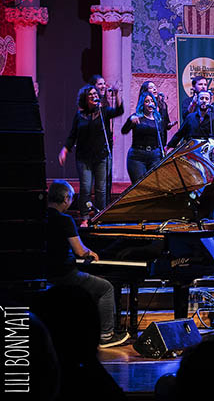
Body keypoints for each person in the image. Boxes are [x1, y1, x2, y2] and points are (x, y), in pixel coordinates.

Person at [45, 180, 129, 348]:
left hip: (45, 273)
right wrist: (90, 252)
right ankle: (106, 335)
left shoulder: (41, 217)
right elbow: (80, 251)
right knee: (105, 288)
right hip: (64, 274)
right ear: (66, 198)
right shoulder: (65, 220)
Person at [58, 84, 122, 213]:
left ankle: (99, 216)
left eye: (95, 94)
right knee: (86, 188)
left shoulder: (104, 112)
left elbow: (119, 111)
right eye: (90, 95)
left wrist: (117, 95)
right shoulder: (80, 115)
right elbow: (72, 135)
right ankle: (85, 216)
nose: (94, 96)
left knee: (101, 189)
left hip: (101, 157)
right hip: (84, 158)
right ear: (85, 99)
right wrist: (65, 150)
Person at [120, 90, 166, 183]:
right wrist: (130, 120)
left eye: (152, 101)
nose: (150, 103)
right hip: (138, 156)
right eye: (147, 101)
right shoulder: (137, 117)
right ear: (142, 104)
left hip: (154, 156)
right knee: (140, 185)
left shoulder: (158, 119)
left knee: (154, 185)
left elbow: (161, 136)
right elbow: (124, 131)